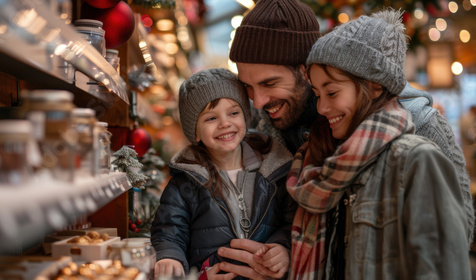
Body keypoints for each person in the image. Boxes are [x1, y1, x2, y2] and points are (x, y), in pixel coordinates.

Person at [220, 0, 474, 273]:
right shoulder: (265, 135)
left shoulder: (418, 125)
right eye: (248, 87)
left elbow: (459, 232)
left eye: (270, 83)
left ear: (305, 71)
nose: (257, 101)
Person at [150, 68, 296, 279]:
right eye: (211, 118)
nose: (225, 123)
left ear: (245, 116)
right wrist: (170, 256)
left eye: (233, 113)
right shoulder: (186, 182)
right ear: (195, 132)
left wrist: (283, 249)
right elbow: (169, 229)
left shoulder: (275, 171)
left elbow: (291, 223)